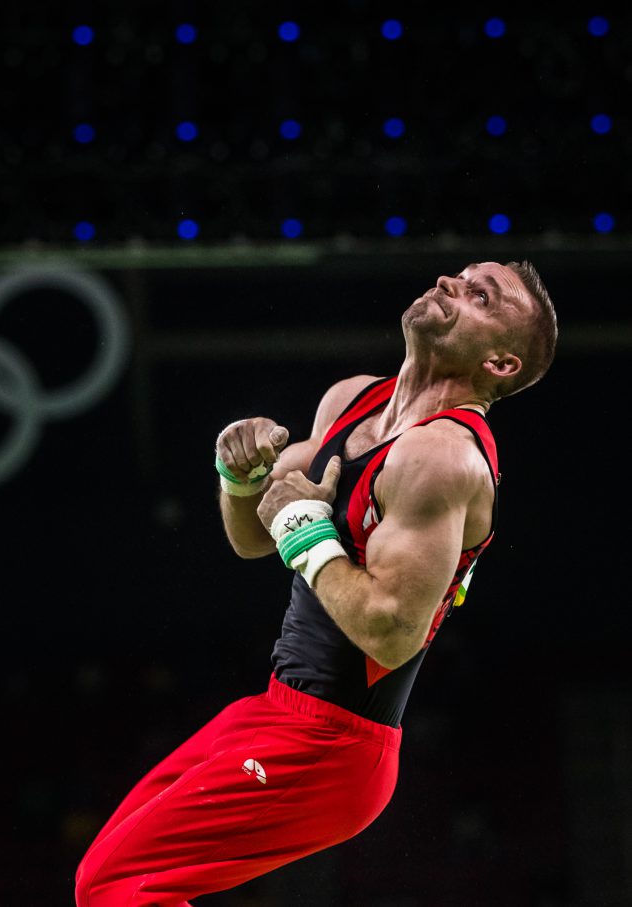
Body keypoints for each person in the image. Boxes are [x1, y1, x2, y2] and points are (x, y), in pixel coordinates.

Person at [73, 260, 558, 906]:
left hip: (336, 744)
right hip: (276, 708)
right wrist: (239, 475)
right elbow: (251, 534)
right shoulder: (351, 399)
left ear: (500, 363)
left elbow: (390, 631)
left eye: (479, 296)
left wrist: (304, 530)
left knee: (118, 888)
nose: (448, 284)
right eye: (459, 276)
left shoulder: (443, 457)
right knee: (97, 878)